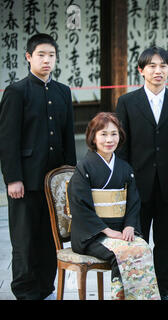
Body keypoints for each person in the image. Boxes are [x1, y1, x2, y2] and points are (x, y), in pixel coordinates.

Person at [0, 33, 76, 300]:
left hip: (54, 181)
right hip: (26, 180)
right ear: (29, 57)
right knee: (24, 239)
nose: (47, 60)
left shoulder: (62, 91)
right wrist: (13, 178)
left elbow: (68, 137)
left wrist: (71, 178)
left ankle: (45, 286)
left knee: (50, 237)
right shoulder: (16, 92)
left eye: (51, 55)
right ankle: (24, 289)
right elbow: (8, 140)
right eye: (41, 55)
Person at [116, 46, 168, 300]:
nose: (157, 70)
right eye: (152, 66)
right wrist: (124, 182)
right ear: (141, 70)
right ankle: (138, 291)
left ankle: (163, 291)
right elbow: (122, 146)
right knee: (137, 242)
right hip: (137, 184)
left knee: (165, 242)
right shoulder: (127, 102)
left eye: (162, 66)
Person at [68, 112, 159, 300]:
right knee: (123, 253)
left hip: (120, 231)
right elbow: (80, 206)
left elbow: (133, 202)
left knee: (142, 248)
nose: (109, 139)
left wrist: (129, 225)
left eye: (114, 134)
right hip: (92, 235)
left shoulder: (125, 168)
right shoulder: (84, 167)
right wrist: (106, 231)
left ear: (120, 136)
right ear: (93, 137)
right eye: (103, 134)